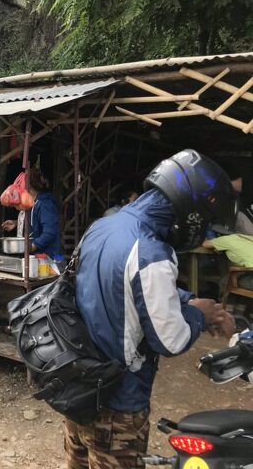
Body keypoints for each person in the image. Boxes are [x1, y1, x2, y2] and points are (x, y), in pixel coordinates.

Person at [66, 149, 237, 469]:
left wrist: (188, 301)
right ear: (192, 210)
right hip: (117, 406)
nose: (207, 231)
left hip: (78, 389)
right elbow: (169, 339)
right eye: (208, 222)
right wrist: (199, 315)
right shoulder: (152, 252)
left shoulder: (105, 226)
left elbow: (127, 286)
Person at [1, 167, 63, 264]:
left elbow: (49, 233)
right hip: (36, 258)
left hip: (50, 259)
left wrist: (30, 247)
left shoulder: (45, 204)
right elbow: (36, 222)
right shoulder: (32, 202)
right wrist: (16, 223)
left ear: (28, 187)